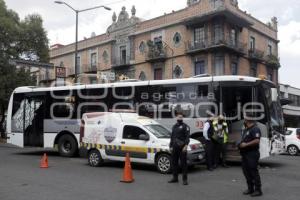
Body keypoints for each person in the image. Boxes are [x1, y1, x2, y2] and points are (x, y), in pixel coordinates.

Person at [238, 113, 263, 197]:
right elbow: (244, 139)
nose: (244, 120)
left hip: (252, 153)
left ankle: (258, 190)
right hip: (245, 154)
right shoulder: (246, 129)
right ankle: (250, 188)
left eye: (245, 118)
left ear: (248, 119)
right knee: (246, 172)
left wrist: (245, 145)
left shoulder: (255, 129)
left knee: (253, 172)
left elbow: (257, 140)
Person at [168, 112, 190, 185]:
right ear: (176, 118)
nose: (180, 118)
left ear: (182, 118)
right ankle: (175, 178)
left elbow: (187, 137)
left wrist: (186, 145)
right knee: (174, 163)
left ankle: (185, 179)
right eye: (178, 117)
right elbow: (172, 137)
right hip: (174, 148)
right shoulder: (174, 126)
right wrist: (170, 146)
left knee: (183, 164)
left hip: (182, 148)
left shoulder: (185, 126)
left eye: (181, 117)